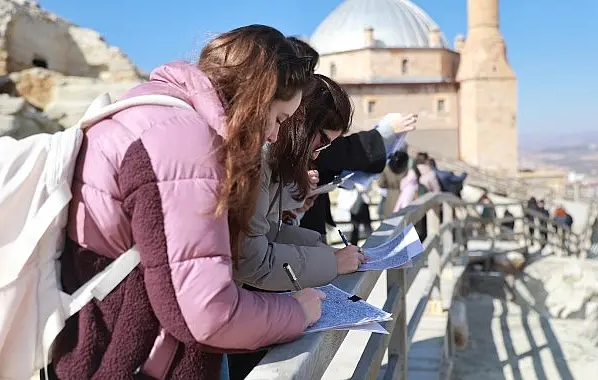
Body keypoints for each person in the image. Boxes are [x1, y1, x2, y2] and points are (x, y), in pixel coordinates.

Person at [50, 25, 325, 379]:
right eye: (277, 119)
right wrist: (296, 312)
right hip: (134, 362)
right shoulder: (184, 143)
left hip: (97, 347)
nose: (273, 134)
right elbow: (206, 314)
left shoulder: (153, 110)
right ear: (258, 97)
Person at [235, 74, 365, 292]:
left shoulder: (268, 158)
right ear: (300, 120)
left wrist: (321, 251)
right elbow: (251, 261)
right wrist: (332, 263)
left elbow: (262, 233)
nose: (315, 156)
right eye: (321, 141)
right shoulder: (256, 157)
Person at [377, 150, 409, 219]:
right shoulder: (405, 169)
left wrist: (390, 186)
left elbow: (380, 184)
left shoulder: (386, 168)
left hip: (391, 202)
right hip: (405, 199)